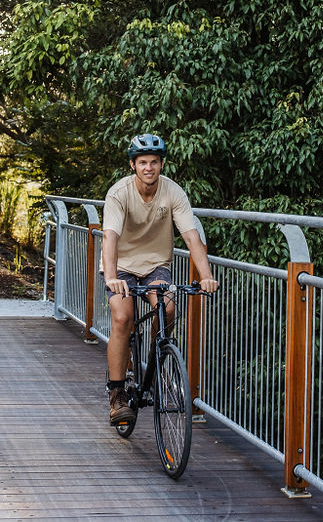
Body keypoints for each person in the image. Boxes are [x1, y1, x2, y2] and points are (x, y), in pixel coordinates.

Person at [101, 133, 219, 425]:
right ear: (133, 165)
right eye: (143, 162)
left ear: (161, 165)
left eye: (154, 162)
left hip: (156, 265)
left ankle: (155, 359)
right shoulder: (119, 193)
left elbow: (192, 237)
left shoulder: (174, 193)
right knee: (122, 316)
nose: (149, 167)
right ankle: (117, 396)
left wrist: (206, 277)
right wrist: (112, 276)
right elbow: (109, 237)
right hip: (123, 268)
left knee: (167, 307)